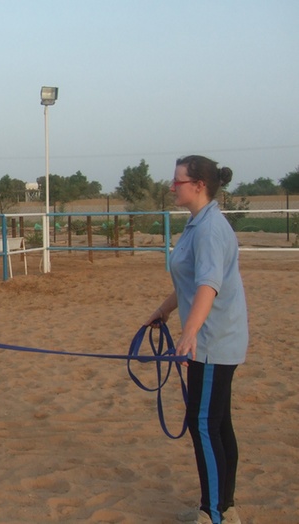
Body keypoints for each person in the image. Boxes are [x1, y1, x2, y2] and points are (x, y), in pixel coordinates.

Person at [145, 155, 248, 524]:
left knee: (204, 423)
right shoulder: (197, 225)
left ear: (199, 185)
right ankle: (225, 505)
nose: (173, 186)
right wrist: (165, 311)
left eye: (178, 181)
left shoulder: (208, 229)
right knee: (218, 423)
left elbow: (208, 285)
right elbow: (189, 280)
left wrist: (189, 334)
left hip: (211, 342)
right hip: (214, 339)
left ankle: (214, 512)